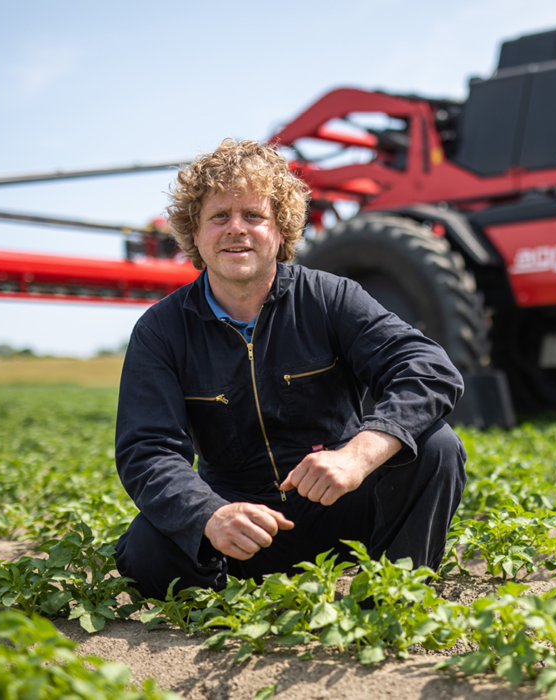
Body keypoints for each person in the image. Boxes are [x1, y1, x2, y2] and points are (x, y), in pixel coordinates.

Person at [114, 139, 467, 599]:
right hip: (239, 527)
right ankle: (223, 599)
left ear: (280, 231)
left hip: (338, 505)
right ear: (194, 235)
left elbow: (429, 368)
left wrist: (357, 455)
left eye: (253, 216)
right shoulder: (161, 330)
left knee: (436, 445)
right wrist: (208, 514)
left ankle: (392, 596)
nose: (236, 229)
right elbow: (146, 449)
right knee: (145, 549)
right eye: (219, 216)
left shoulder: (330, 298)